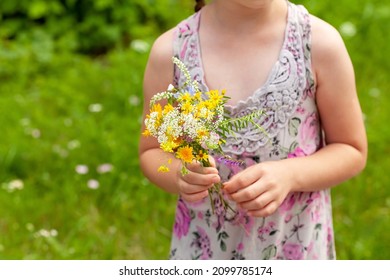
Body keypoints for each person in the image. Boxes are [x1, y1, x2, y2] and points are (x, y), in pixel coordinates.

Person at [138, 0, 367, 260]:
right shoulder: (172, 53)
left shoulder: (318, 45)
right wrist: (180, 175)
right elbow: (152, 150)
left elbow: (351, 148)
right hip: (206, 250)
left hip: (293, 247)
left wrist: (290, 175)